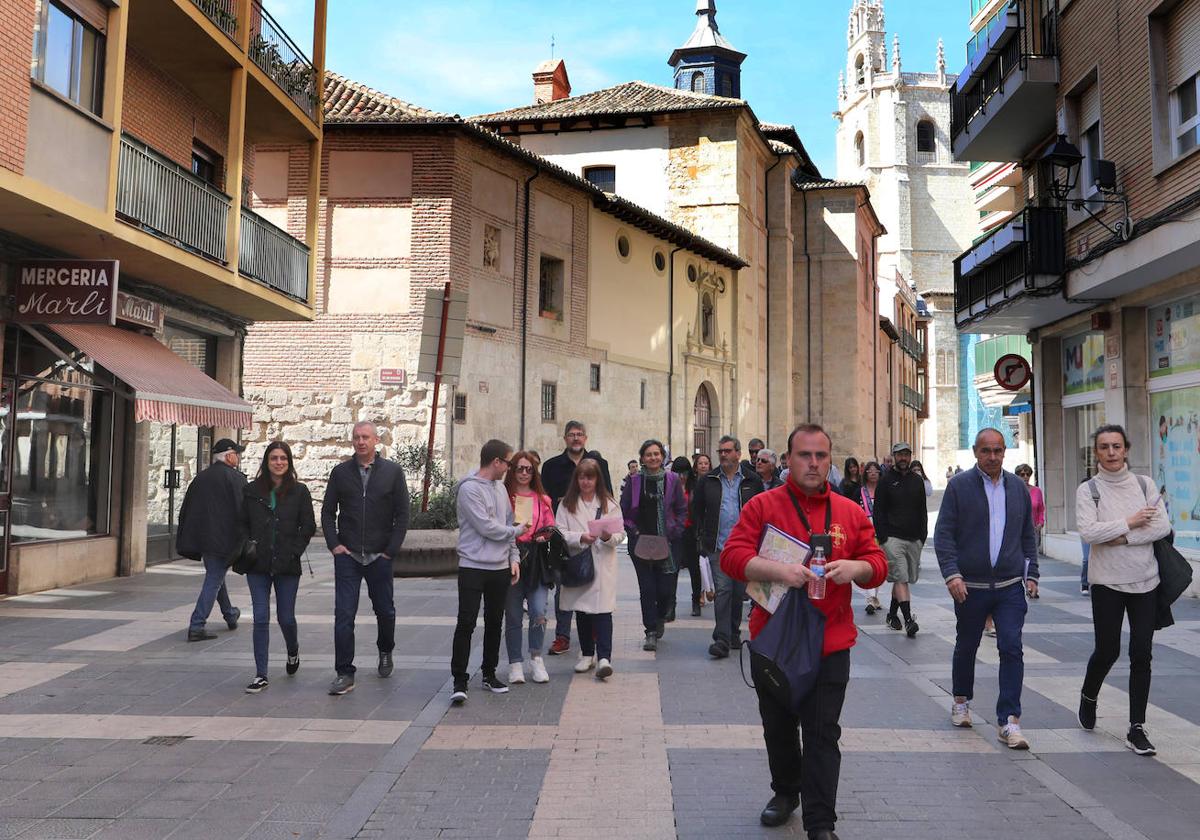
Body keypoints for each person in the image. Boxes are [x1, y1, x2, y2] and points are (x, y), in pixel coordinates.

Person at [721, 424, 887, 834]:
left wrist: (856, 568)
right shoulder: (762, 505)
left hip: (830, 643)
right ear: (788, 460)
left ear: (829, 461)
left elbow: (878, 565)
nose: (813, 463)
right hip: (773, 640)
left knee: (822, 734)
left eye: (821, 456)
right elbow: (732, 556)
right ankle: (785, 790)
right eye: (804, 455)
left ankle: (819, 822)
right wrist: (781, 571)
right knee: (777, 728)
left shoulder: (849, 512)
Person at [934, 428, 1039, 750]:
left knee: (1011, 647)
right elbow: (944, 535)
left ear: (1005, 452)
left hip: (1009, 586)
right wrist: (952, 575)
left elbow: (1027, 535)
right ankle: (961, 700)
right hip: (970, 586)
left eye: (998, 450)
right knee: (967, 645)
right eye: (986, 451)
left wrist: (1031, 572)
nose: (992, 457)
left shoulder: (1017, 488)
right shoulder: (959, 487)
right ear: (975, 452)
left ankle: (1009, 720)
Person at [1075, 424, 1171, 756]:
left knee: (1141, 653)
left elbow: (1162, 526)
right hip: (1107, 583)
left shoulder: (1144, 484)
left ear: (1126, 449)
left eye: (1117, 446)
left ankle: (1136, 728)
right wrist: (1130, 522)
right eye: (1104, 447)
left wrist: (1121, 538)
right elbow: (1089, 532)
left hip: (1146, 581)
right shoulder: (1089, 490)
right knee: (1108, 650)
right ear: (1097, 452)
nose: (1112, 453)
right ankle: (1089, 696)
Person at [321, 421, 410, 696]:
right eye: (357, 437)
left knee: (385, 610)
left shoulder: (392, 472)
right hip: (348, 555)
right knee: (344, 615)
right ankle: (344, 672)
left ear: (375, 441)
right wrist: (334, 544)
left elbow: (402, 514)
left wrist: (390, 551)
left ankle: (385, 650)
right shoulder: (340, 473)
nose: (361, 442)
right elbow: (327, 512)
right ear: (352, 441)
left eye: (366, 437)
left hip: (379, 556)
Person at [451, 439, 525, 704]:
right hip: (472, 565)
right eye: (507, 462)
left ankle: (489, 673)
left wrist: (514, 557)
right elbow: (487, 527)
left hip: (499, 568)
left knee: (495, 622)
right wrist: (517, 531)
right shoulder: (469, 489)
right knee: (466, 622)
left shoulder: (500, 490)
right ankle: (459, 681)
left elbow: (506, 524)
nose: (509, 468)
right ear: (496, 462)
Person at [239, 441, 316, 694]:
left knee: (286, 617)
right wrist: (246, 547)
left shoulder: (300, 491)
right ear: (266, 461)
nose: (279, 462)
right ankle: (261, 673)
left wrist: (294, 550)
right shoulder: (251, 491)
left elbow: (308, 526)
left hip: (287, 564)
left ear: (289, 462)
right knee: (260, 617)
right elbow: (241, 523)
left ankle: (292, 650)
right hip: (258, 564)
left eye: (283, 458)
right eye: (274, 458)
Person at [541, 421, 613, 656]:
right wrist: (561, 502)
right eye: (571, 435)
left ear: (586, 437)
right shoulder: (552, 466)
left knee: (592, 586)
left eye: (579, 434)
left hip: (594, 537)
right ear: (565, 438)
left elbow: (608, 496)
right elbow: (545, 501)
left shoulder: (599, 464)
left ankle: (590, 638)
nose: (576, 438)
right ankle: (562, 635)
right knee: (565, 585)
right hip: (565, 535)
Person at [693, 435, 762, 658]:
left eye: (727, 451)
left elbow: (763, 513)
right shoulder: (709, 480)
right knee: (723, 590)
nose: (723, 454)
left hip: (745, 548)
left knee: (738, 591)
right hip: (718, 545)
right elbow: (697, 510)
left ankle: (733, 633)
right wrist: (701, 537)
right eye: (720, 451)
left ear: (738, 454)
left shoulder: (752, 481)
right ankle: (721, 638)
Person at [557, 458, 625, 679]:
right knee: (583, 611)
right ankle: (587, 653)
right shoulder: (567, 504)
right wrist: (580, 538)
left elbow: (620, 533)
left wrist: (607, 536)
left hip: (603, 562)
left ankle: (604, 657)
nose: (586, 482)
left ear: (597, 479)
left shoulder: (609, 504)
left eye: (590, 477)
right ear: (577, 479)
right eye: (582, 477)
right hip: (580, 562)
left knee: (603, 611)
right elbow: (559, 533)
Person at [621, 439, 687, 652]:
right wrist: (635, 532)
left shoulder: (672, 480)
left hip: (667, 543)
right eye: (648, 454)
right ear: (642, 458)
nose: (653, 458)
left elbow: (681, 508)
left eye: (656, 454)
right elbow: (624, 511)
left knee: (665, 590)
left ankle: (659, 618)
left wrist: (675, 530)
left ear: (663, 456)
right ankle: (650, 631)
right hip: (641, 542)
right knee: (647, 588)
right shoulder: (634, 481)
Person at [178, 438, 246, 641]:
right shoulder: (236, 478)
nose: (239, 457)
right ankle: (197, 625)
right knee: (214, 580)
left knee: (216, 577)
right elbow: (244, 510)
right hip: (224, 541)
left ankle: (230, 614)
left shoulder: (201, 478)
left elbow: (187, 510)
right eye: (237, 453)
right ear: (229, 455)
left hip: (205, 541)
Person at [504, 451, 554, 686]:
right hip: (509, 557)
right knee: (513, 614)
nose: (524, 473)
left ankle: (536, 657)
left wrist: (544, 535)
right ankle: (515, 663)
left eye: (529, 469)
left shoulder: (542, 499)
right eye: (520, 468)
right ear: (512, 470)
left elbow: (550, 526)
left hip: (536, 558)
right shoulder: (504, 496)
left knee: (538, 611)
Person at [871, 443, 928, 637]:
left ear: (910, 456)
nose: (903, 458)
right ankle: (909, 621)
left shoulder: (917, 481)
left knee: (903, 578)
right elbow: (878, 511)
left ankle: (892, 615)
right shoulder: (886, 481)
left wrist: (923, 536)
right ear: (894, 457)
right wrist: (883, 537)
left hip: (914, 538)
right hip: (893, 538)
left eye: (906, 454)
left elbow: (922, 510)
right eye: (899, 455)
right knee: (901, 576)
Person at [669, 456, 697, 621]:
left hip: (691, 531)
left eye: (685, 472)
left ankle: (696, 601)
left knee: (694, 569)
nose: (682, 476)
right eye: (678, 473)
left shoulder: (694, 488)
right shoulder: (670, 487)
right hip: (675, 533)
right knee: (673, 570)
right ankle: (671, 606)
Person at [854, 461, 884, 616]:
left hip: (881, 530)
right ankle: (871, 598)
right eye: (870, 471)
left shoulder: (884, 491)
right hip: (865, 530)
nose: (872, 473)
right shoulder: (860, 492)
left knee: (878, 562)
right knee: (868, 561)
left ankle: (874, 596)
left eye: (875, 471)